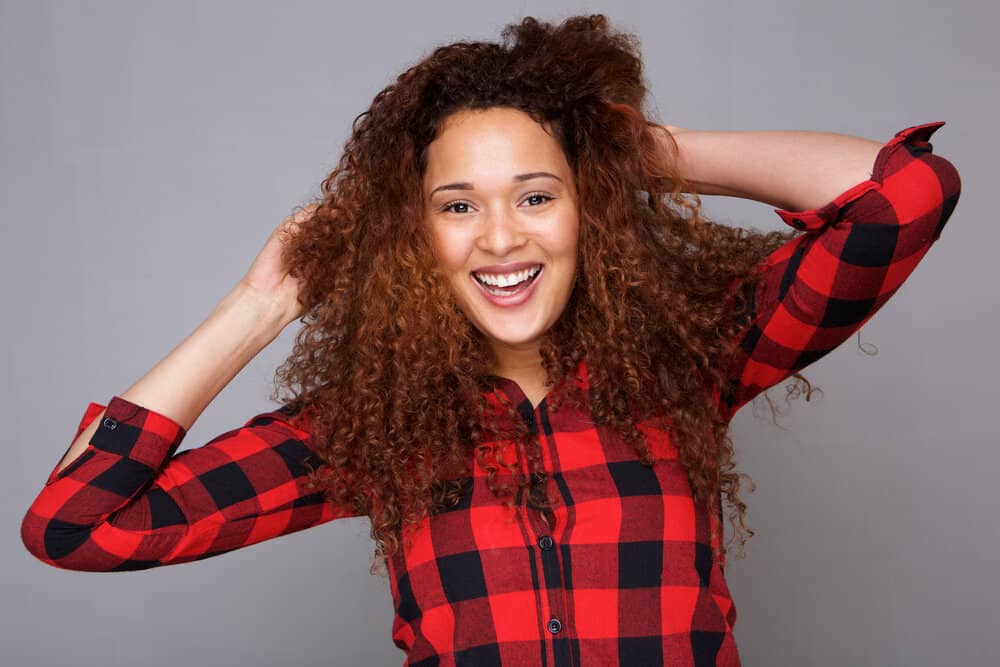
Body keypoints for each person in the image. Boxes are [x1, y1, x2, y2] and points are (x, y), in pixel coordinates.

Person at [20, 14, 960, 667]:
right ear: (416, 234)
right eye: (457, 205)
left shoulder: (690, 364)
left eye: (538, 195)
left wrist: (631, 152)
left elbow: (905, 196)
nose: (502, 237)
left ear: (587, 208)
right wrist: (261, 303)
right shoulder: (372, 428)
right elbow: (78, 525)